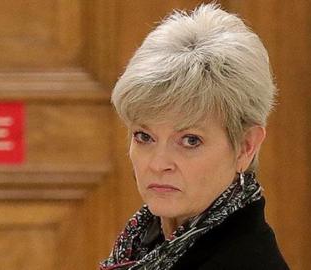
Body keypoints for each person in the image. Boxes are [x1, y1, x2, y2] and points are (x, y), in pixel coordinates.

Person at [100, 4, 289, 270]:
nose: (158, 163)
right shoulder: (146, 243)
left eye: (190, 140)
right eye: (144, 136)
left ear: (246, 146)